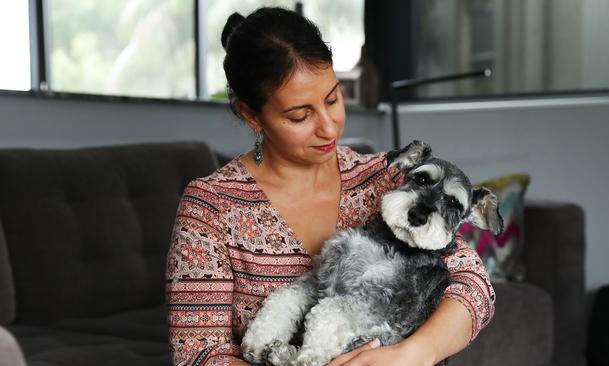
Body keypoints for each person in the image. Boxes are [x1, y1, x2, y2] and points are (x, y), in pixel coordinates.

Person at [166, 7, 495, 366]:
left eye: (333, 99)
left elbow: (473, 284)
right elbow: (198, 354)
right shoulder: (211, 207)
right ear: (251, 116)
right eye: (300, 115)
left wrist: (413, 354)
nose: (329, 127)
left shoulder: (385, 178)